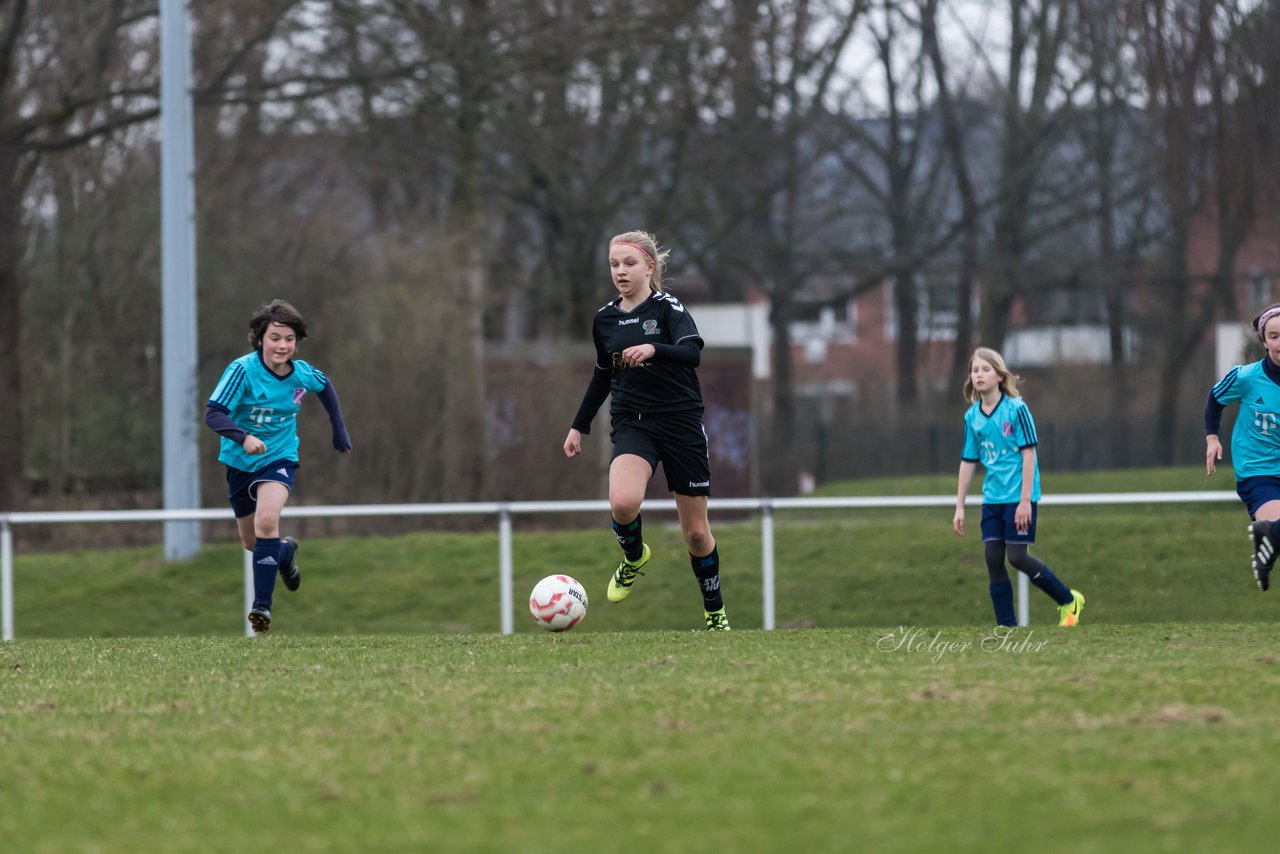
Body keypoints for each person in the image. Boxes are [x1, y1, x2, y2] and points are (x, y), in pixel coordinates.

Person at [562, 230, 730, 631]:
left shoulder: (669, 308)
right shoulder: (605, 319)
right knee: (622, 503)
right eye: (614, 265)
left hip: (681, 424)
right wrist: (578, 426)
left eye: (629, 264)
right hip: (634, 422)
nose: (620, 272)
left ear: (649, 267)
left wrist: (656, 349)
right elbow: (603, 375)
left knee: (695, 534)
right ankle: (634, 557)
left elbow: (692, 352)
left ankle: (715, 612)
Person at [204, 300, 351, 634]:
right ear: (260, 339)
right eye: (275, 337)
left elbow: (326, 388)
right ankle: (284, 554)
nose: (282, 345)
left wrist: (339, 430)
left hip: (279, 456)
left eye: (289, 338)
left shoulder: (302, 373)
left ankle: (262, 608)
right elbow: (213, 413)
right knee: (252, 541)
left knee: (267, 520)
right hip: (241, 461)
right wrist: (242, 438)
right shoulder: (242, 370)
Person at [952, 347, 1086, 627]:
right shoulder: (972, 417)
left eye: (985, 369)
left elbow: (1029, 455)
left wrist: (1025, 501)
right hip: (993, 497)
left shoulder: (1016, 409)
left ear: (999, 376)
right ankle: (1007, 627)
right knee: (992, 557)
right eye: (975, 370)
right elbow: (967, 461)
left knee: (1017, 557)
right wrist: (960, 506)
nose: (979, 375)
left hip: (1018, 496)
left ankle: (1068, 600)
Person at [1205, 303, 1280, 592]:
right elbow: (1215, 398)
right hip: (1258, 471)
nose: (1279, 342)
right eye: (1273, 336)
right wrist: (1212, 437)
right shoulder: (1246, 378)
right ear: (1264, 341)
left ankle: (1268, 539)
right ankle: (1269, 536)